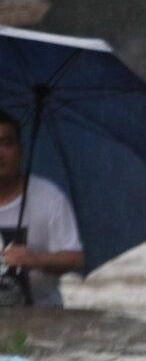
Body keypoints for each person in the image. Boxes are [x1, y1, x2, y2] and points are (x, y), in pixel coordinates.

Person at [0, 109, 84, 307]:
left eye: (6, 143)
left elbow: (76, 258)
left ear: (20, 151)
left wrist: (36, 259)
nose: (0, 153)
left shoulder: (49, 197)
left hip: (42, 316)